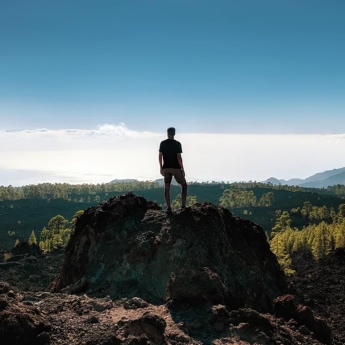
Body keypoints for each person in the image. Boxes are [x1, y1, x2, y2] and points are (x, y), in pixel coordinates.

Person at [159, 127, 187, 212]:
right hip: (176, 168)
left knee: (167, 186)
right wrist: (182, 168)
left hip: (166, 168)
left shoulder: (163, 143)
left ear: (167, 133)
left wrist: (161, 167)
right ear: (174, 134)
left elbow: (160, 156)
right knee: (184, 185)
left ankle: (169, 207)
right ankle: (183, 206)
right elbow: (179, 157)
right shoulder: (177, 144)